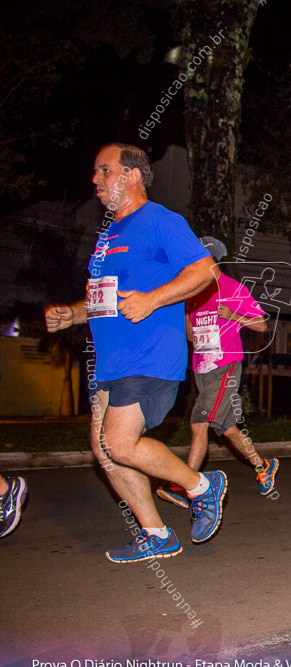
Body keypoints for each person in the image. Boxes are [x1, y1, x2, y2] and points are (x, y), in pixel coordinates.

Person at [44, 143, 226, 563]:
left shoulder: (160, 220)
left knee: (120, 444)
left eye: (104, 170)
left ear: (132, 175)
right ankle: (157, 534)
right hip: (112, 362)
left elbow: (205, 271)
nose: (96, 179)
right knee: (105, 451)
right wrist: (71, 315)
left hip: (150, 355)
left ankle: (201, 486)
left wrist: (152, 300)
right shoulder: (109, 236)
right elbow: (104, 300)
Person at [156, 237, 278, 508]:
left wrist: (233, 315)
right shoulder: (192, 293)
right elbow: (191, 335)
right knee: (229, 429)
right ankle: (263, 465)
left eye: (198, 257)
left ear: (212, 260)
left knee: (199, 424)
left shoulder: (232, 288)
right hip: (202, 368)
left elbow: (261, 326)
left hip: (226, 365)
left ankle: (186, 485)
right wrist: (186, 321)